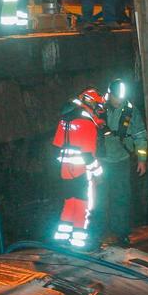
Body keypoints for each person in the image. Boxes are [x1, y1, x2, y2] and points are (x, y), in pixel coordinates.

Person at [52, 87, 107, 250]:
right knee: (83, 207)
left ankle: (62, 240)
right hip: (82, 173)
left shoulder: (65, 120)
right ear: (91, 104)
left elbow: (56, 147)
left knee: (69, 205)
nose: (99, 111)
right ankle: (79, 243)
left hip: (65, 172)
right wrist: (99, 173)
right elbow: (88, 156)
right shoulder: (87, 124)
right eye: (98, 107)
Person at [98, 77, 148, 247]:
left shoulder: (131, 111)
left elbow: (140, 135)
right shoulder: (98, 109)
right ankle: (95, 233)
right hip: (100, 161)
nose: (119, 101)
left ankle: (121, 233)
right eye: (116, 97)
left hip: (121, 160)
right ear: (109, 94)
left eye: (121, 97)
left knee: (121, 198)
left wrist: (142, 159)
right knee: (96, 199)